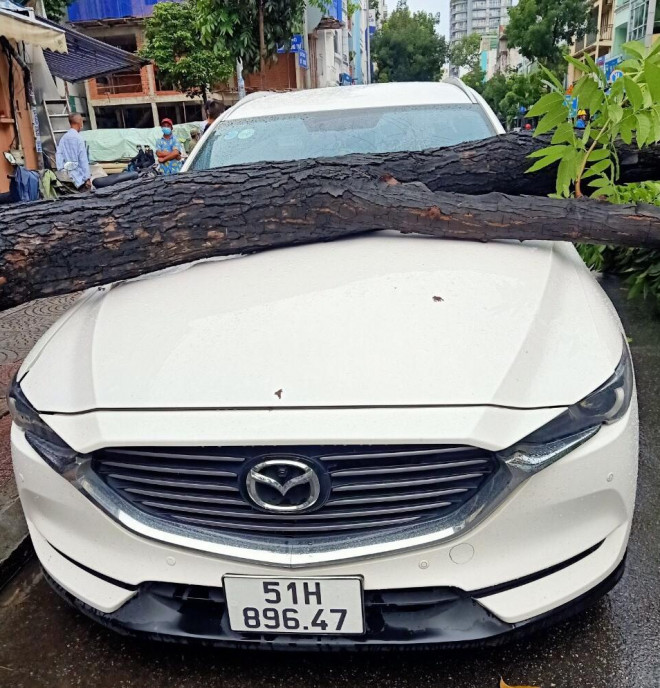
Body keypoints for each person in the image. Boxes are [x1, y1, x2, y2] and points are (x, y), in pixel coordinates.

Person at [55, 113, 91, 190]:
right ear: (79, 122)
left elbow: (59, 156)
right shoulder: (79, 139)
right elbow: (83, 160)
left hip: (67, 180)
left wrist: (62, 172)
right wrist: (87, 178)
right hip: (80, 180)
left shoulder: (63, 139)